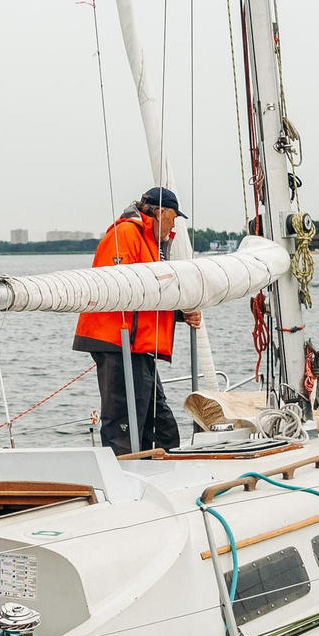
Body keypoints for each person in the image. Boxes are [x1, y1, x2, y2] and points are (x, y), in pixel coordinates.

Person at [73, 188, 202, 456]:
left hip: (137, 344)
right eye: (174, 218)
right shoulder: (125, 235)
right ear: (161, 212)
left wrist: (180, 313)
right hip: (117, 341)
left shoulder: (151, 242)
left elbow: (150, 293)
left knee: (160, 426)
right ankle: (123, 479)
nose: (174, 225)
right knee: (123, 422)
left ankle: (155, 474)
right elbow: (114, 286)